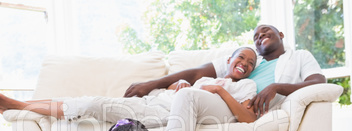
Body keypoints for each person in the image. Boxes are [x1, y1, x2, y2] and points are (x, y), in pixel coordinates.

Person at [0, 47, 257, 127]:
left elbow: (247, 117)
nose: (244, 63)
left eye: (250, 61)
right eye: (240, 57)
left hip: (163, 115)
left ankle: (19, 105)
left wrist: (220, 92)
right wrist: (180, 84)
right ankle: (22, 105)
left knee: (92, 105)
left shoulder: (246, 87)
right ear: (229, 60)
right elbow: (186, 90)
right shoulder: (207, 79)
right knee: (90, 101)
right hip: (155, 101)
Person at [124, 24, 326, 116]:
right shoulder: (247, 61)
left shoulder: (299, 56)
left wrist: (277, 87)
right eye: (255, 36)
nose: (259, 35)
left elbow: (318, 82)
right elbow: (196, 73)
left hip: (243, 112)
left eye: (265, 31)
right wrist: (150, 84)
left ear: (280, 34)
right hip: (214, 104)